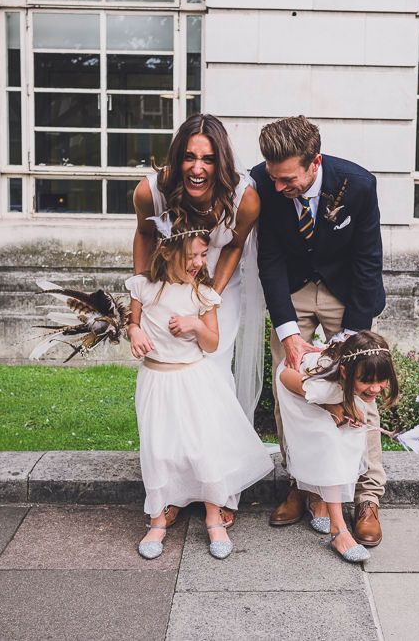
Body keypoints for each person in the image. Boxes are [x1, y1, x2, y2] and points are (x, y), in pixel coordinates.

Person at [251, 115, 387, 547]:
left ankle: (366, 497)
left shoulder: (358, 185)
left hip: (346, 296)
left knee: (361, 391)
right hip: (291, 294)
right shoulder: (263, 181)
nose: (278, 187)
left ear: (315, 163)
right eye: (273, 178)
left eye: (287, 179)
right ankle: (303, 485)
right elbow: (269, 259)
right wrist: (288, 332)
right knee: (290, 392)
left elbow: (368, 264)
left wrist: (347, 345)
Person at [133, 113, 266, 529]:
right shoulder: (149, 191)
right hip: (164, 286)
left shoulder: (245, 198)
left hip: (217, 288)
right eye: (189, 157)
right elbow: (143, 237)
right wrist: (140, 302)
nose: (197, 168)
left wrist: (207, 294)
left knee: (210, 378)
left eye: (207, 159)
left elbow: (234, 247)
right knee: (168, 382)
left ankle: (220, 488)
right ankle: (172, 490)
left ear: (221, 161)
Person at [126, 217, 273, 560]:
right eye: (192, 256)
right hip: (155, 380)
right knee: (159, 448)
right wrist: (134, 332)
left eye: (203, 255)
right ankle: (158, 519)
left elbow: (212, 342)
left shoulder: (203, 295)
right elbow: (132, 322)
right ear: (168, 252)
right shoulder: (142, 288)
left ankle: (213, 516)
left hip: (193, 380)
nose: (199, 263)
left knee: (203, 448)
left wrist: (194, 324)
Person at [277, 331, 399, 563]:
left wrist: (342, 407)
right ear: (346, 373)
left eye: (381, 381)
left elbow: (346, 395)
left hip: (330, 390)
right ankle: (339, 530)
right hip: (297, 389)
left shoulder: (350, 377)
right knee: (327, 443)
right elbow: (285, 376)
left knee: (348, 438)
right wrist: (329, 405)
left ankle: (322, 501)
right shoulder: (324, 387)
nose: (375, 388)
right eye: (367, 381)